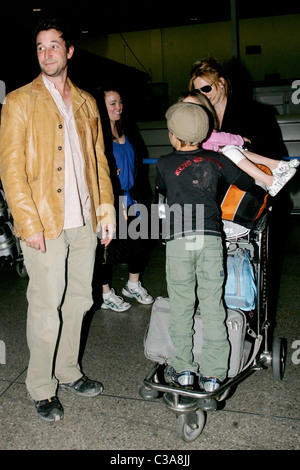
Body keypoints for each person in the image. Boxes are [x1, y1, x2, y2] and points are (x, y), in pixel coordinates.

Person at [0, 18, 116, 423]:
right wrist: (27, 222)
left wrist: (105, 212)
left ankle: (68, 371)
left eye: (53, 46)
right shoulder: (20, 100)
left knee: (80, 301)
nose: (46, 53)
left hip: (83, 219)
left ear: (69, 51)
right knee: (46, 307)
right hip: (45, 222)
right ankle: (41, 386)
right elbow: (11, 169)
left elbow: (98, 161)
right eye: (39, 47)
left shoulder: (86, 102)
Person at [156, 101, 257, 392]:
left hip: (179, 240)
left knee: (182, 305)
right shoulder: (218, 160)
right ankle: (214, 374)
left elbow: (163, 191)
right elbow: (247, 183)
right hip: (211, 239)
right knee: (213, 305)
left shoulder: (164, 163)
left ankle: (185, 369)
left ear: (174, 136)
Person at [179, 91, 299, 197]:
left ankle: (275, 166)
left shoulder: (202, 127)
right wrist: (240, 139)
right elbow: (219, 137)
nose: (191, 110)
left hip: (212, 165)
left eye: (195, 106)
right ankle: (270, 180)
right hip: (205, 168)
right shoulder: (194, 131)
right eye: (187, 106)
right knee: (230, 150)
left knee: (232, 149)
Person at [99, 88, 153, 312]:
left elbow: (138, 159)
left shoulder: (127, 130)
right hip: (112, 199)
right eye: (112, 103)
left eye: (120, 102)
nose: (118, 107)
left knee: (140, 243)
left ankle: (132, 284)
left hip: (133, 197)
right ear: (102, 107)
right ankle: (104, 294)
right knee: (107, 250)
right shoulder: (97, 135)